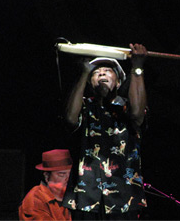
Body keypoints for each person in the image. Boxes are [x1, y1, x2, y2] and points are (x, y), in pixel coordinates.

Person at [61, 43, 148, 220]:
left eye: (108, 70)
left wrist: (137, 67)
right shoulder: (84, 106)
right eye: (95, 72)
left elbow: (138, 114)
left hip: (124, 198)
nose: (101, 73)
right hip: (85, 198)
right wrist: (84, 72)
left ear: (118, 81)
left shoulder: (126, 107)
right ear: (90, 82)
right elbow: (70, 118)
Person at [19, 149, 73, 220]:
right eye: (62, 174)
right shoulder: (35, 199)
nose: (67, 179)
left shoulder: (66, 197)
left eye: (70, 174)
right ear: (47, 176)